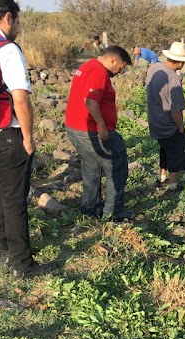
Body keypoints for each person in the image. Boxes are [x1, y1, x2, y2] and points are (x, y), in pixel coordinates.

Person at [0, 0, 49, 278]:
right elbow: (20, 99)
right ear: (7, 17)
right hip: (6, 136)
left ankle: (6, 256)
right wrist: (29, 137)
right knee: (14, 202)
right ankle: (23, 265)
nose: (18, 27)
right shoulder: (6, 49)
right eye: (17, 21)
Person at [65, 45, 133, 221]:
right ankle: (113, 212)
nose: (119, 71)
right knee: (116, 166)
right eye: (121, 67)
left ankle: (90, 207)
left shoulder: (87, 66)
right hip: (92, 130)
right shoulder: (98, 71)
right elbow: (90, 101)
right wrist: (102, 125)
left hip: (75, 128)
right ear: (113, 60)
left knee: (91, 166)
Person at [145, 41, 185, 192]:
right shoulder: (173, 79)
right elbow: (176, 110)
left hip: (154, 120)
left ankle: (162, 177)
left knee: (164, 148)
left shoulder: (154, 68)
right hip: (167, 123)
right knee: (176, 151)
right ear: (180, 62)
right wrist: (180, 127)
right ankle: (173, 184)